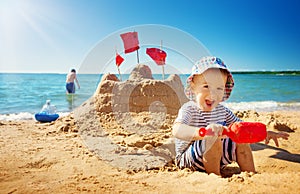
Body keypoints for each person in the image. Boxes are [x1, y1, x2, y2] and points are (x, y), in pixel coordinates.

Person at [172, 56, 289, 176]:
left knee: (241, 135)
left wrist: (266, 133)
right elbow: (177, 130)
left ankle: (250, 174)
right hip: (189, 159)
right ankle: (214, 177)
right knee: (212, 134)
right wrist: (202, 132)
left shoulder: (223, 111)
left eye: (219, 88)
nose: (213, 93)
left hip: (217, 158)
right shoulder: (189, 109)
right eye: (206, 86)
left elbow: (244, 127)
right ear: (193, 86)